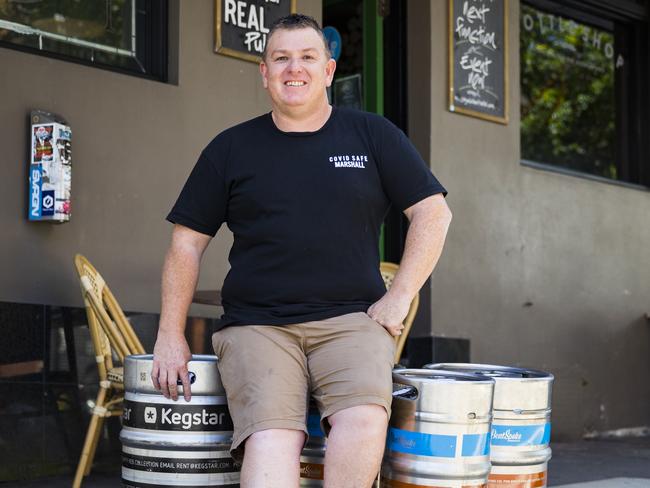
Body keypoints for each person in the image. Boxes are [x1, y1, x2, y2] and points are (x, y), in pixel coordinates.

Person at [151, 13, 452, 488]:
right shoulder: (230, 148)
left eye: (308, 57)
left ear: (329, 71)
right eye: (282, 58)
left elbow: (433, 214)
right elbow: (186, 244)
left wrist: (400, 296)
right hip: (257, 323)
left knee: (364, 420)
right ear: (265, 72)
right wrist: (170, 333)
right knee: (273, 436)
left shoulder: (372, 135)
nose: (295, 68)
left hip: (353, 320)